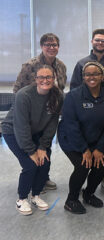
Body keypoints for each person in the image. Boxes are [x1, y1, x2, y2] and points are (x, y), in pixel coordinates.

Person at [2, 65, 63, 215]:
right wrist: (30, 151)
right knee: (30, 165)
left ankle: (35, 195)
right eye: (41, 77)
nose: (45, 80)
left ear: (54, 78)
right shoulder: (24, 95)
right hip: (13, 131)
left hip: (36, 132)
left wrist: (42, 147)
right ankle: (21, 199)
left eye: (48, 77)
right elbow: (21, 126)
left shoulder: (58, 95)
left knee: (44, 162)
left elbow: (52, 123)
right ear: (35, 79)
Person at [58, 62, 104, 214]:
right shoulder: (73, 96)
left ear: (102, 77)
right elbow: (71, 125)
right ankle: (71, 200)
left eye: (96, 74)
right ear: (83, 78)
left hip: (95, 139)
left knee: (100, 166)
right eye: (88, 74)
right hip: (70, 139)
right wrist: (84, 149)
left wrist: (99, 148)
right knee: (83, 165)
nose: (92, 77)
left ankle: (88, 194)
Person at [13, 33, 67, 191]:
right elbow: (17, 89)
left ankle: (43, 177)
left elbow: (60, 90)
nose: (51, 48)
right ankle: (35, 179)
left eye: (54, 45)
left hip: (48, 114)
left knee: (45, 146)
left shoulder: (61, 66)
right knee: (32, 147)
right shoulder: (31, 65)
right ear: (42, 46)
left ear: (58, 47)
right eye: (48, 45)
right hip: (30, 115)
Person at [70, 28, 104, 191]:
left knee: (103, 145)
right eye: (97, 40)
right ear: (92, 41)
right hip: (85, 113)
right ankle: (82, 178)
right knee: (84, 148)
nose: (100, 43)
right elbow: (74, 89)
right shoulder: (81, 63)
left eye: (103, 40)